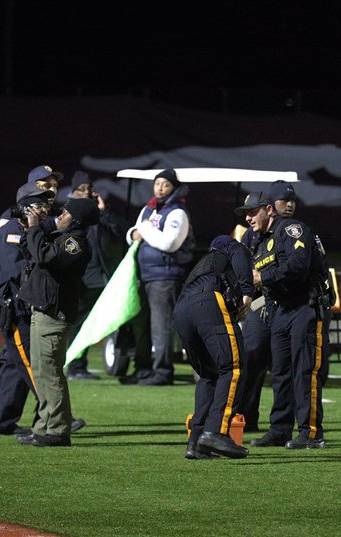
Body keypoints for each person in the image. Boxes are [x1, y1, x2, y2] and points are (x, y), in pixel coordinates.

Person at [239, 180, 334, 432]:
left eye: (291, 200)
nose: (289, 205)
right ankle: (277, 429)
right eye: (284, 200)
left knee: (304, 369)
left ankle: (310, 432)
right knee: (277, 369)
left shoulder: (295, 229)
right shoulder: (254, 236)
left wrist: (262, 278)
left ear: (267, 209)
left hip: (303, 304)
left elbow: (299, 266)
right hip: (276, 305)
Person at [16, 197, 100, 447]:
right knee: (42, 373)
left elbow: (44, 256)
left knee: (50, 374)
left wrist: (34, 228)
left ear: (74, 219)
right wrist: (36, 227)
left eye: (64, 213)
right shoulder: (63, 237)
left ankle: (57, 431)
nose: (59, 216)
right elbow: (29, 249)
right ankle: (43, 426)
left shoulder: (76, 243)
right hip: (43, 310)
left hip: (53, 315)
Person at [174, 235, 254, 459]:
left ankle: (196, 442)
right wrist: (247, 292)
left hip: (182, 310)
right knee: (233, 367)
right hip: (207, 303)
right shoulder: (229, 247)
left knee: (209, 375)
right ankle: (216, 433)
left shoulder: (203, 265)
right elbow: (236, 250)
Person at [0, 183, 53, 435]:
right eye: (39, 205)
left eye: (46, 205)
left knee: (15, 365)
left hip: (20, 306)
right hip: (13, 309)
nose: (44, 210)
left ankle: (2, 422)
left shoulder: (26, 227)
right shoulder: (12, 232)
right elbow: (18, 271)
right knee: (32, 364)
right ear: (25, 206)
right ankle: (54, 414)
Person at [123, 168, 195, 386]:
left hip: (165, 276)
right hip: (144, 274)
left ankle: (163, 371)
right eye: (157, 184)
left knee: (160, 325)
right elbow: (132, 234)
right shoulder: (149, 209)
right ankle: (143, 368)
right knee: (142, 324)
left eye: (165, 184)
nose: (160, 188)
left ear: (174, 187)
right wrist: (137, 232)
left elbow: (169, 244)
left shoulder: (177, 212)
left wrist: (144, 230)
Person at [65, 170, 127, 380]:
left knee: (110, 320)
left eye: (90, 189)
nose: (89, 193)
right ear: (74, 192)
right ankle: (76, 366)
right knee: (79, 323)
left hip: (102, 277)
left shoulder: (99, 213)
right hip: (82, 277)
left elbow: (122, 231)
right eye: (84, 190)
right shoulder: (67, 212)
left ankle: (116, 360)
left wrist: (104, 210)